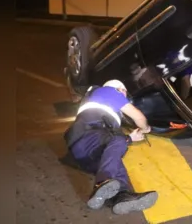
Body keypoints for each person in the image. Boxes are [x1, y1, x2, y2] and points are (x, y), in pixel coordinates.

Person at [64, 79, 159, 215]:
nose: (124, 98)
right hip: (88, 138)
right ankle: (101, 182)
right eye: (125, 94)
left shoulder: (95, 100)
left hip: (84, 155)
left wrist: (131, 138)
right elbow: (139, 117)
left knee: (115, 162)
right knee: (118, 140)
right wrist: (146, 128)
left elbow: (110, 146)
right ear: (121, 90)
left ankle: (121, 196)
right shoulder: (109, 91)